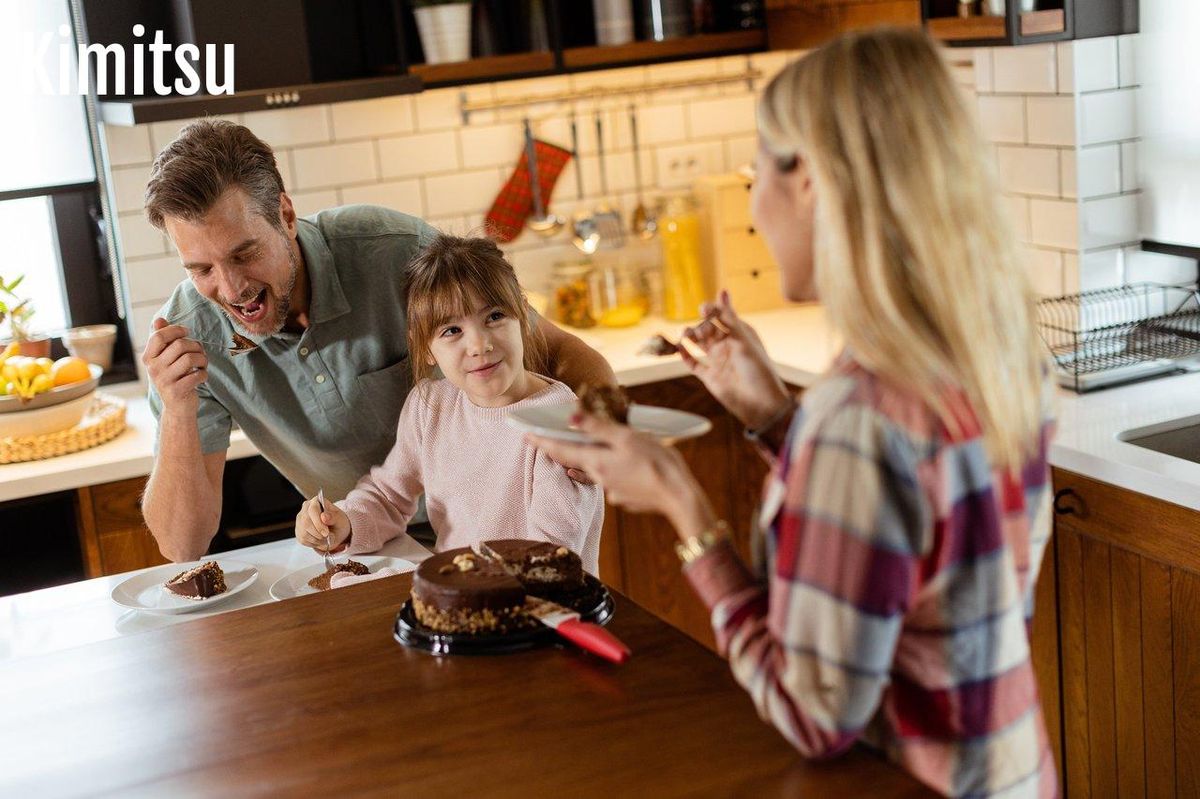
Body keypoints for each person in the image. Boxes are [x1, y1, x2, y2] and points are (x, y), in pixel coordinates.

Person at [529, 28, 1057, 799]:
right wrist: (778, 419)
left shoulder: (862, 411)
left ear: (808, 177)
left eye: (755, 170)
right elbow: (917, 548)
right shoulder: (1000, 348)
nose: (751, 203)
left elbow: (815, 713)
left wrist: (685, 504)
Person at [139, 120, 614, 562]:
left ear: (285, 215)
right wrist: (178, 405)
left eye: (245, 253)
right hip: (374, 545)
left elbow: (554, 349)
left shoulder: (396, 251)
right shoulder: (187, 338)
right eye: (201, 269)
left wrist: (600, 432)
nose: (231, 287)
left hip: (504, 552)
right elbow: (183, 545)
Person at [293, 234, 604, 572]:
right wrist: (344, 522)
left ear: (522, 317)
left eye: (495, 316)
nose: (478, 344)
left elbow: (550, 560)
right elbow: (387, 496)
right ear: (425, 348)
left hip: (546, 613)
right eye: (452, 331)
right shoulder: (430, 408)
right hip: (463, 602)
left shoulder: (558, 423)